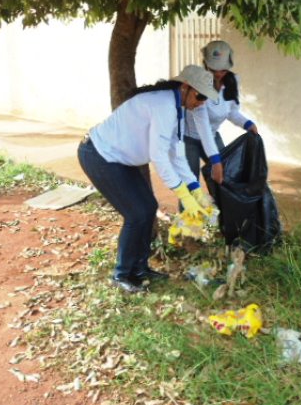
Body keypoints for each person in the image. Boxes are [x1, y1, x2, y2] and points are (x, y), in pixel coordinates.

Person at [77, 65, 219, 293]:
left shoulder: (176, 106)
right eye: (200, 96)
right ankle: (122, 275)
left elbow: (176, 151)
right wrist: (182, 194)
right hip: (99, 155)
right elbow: (159, 156)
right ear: (185, 88)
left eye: (206, 99)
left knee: (148, 207)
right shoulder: (164, 106)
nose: (201, 102)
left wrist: (195, 190)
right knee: (137, 213)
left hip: (119, 159)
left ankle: (140, 268)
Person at [184, 40, 258, 185]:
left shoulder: (233, 81)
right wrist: (215, 160)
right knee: (191, 185)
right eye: (213, 69)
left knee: (226, 177)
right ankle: (189, 208)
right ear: (206, 64)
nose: (218, 74)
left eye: (222, 69)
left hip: (212, 135)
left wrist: (247, 124)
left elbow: (232, 112)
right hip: (188, 138)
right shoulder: (198, 83)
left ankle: (222, 208)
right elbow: (202, 125)